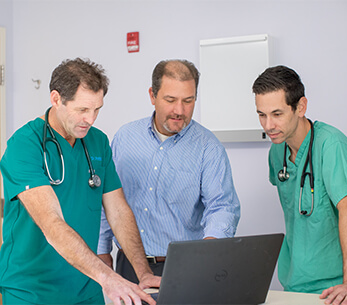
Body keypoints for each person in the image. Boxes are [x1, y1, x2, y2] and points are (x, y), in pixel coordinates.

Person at [0, 58, 160, 305]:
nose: (91, 119)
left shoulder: (97, 142)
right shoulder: (24, 145)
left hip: (86, 287)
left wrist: (144, 272)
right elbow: (51, 223)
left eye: (97, 109)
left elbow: (118, 211)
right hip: (32, 292)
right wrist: (109, 278)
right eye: (82, 110)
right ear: (56, 99)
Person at [97, 59, 241, 283]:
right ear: (152, 96)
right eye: (170, 100)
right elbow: (108, 199)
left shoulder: (208, 148)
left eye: (188, 101)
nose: (179, 110)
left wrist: (209, 253)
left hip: (183, 268)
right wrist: (101, 248)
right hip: (128, 265)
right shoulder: (125, 138)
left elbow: (222, 206)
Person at [253, 65, 347, 305]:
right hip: (293, 284)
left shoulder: (331, 145)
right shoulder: (277, 151)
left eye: (277, 114)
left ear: (300, 107)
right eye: (261, 114)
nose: (268, 125)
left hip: (336, 288)